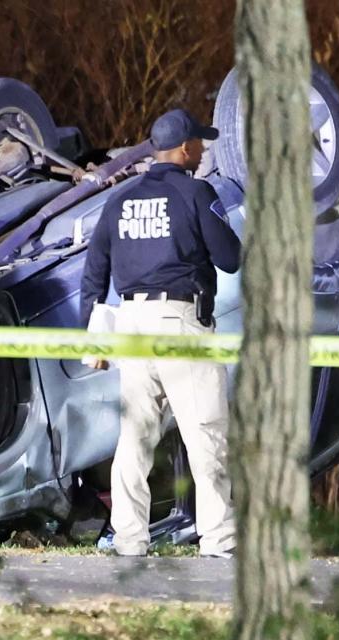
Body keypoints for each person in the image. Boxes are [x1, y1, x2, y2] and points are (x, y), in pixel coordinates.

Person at [80, 109, 241, 558]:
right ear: (186, 147)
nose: (204, 152)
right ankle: (219, 539)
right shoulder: (196, 192)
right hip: (179, 324)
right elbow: (230, 257)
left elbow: (94, 276)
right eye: (201, 145)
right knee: (205, 433)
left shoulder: (120, 202)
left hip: (130, 327)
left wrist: (93, 338)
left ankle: (129, 539)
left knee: (134, 438)